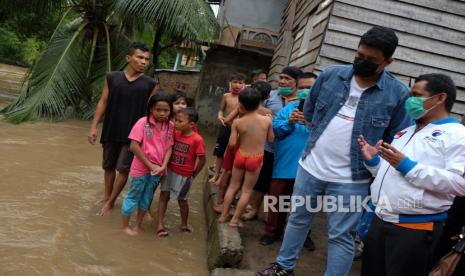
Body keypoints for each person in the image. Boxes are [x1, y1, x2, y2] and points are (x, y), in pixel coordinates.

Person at [259, 26, 411, 276]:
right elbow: (308, 114)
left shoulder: (398, 94)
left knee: (341, 236)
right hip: (311, 167)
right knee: (298, 219)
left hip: (353, 178)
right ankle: (284, 267)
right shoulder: (331, 76)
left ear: (388, 61)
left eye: (371, 60)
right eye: (360, 55)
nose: (362, 62)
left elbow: (396, 138)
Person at [360, 73, 465, 276]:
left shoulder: (457, 135)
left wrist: (408, 166)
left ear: (440, 98)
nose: (410, 100)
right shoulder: (406, 131)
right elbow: (392, 174)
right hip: (381, 219)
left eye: (417, 95)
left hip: (414, 228)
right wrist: (373, 161)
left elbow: (460, 183)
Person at [88, 42, 157, 216]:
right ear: (128, 58)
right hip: (111, 129)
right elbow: (103, 102)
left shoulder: (150, 83)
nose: (143, 62)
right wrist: (94, 126)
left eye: (146, 59)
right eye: (139, 57)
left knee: (123, 168)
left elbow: (152, 111)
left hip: (134, 135)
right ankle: (106, 197)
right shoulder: (112, 77)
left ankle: (111, 203)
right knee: (108, 166)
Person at [259, 72, 316, 246]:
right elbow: (277, 132)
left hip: (310, 167)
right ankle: (272, 231)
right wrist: (289, 122)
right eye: (302, 88)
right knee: (276, 200)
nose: (305, 91)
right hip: (285, 164)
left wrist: (310, 122)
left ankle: (303, 235)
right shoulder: (288, 109)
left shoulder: (324, 113)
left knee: (305, 204)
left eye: (310, 88)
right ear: (296, 89)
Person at [242, 67, 303, 222]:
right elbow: (253, 108)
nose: (282, 81)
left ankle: (271, 215)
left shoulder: (302, 100)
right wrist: (262, 110)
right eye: (281, 77)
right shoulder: (271, 95)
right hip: (268, 146)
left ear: (297, 82)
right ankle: (254, 209)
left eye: (287, 78)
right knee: (262, 180)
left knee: (279, 184)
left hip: (289, 150)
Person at [213, 81, 273, 213]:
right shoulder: (267, 112)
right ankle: (236, 210)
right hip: (254, 151)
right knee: (246, 184)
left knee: (228, 172)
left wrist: (237, 129)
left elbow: (227, 120)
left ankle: (220, 203)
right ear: (268, 97)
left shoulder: (242, 107)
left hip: (236, 145)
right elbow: (270, 138)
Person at [120, 92, 174, 236]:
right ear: (151, 109)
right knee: (133, 195)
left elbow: (169, 148)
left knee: (147, 197)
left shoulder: (170, 126)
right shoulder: (143, 122)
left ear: (170, 111)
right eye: (158, 110)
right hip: (141, 168)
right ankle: (125, 226)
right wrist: (151, 166)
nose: (162, 113)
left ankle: (137, 225)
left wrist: (163, 166)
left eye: (166, 110)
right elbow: (133, 146)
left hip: (158, 170)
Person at [156, 107, 206, 237]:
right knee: (163, 196)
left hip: (185, 175)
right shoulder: (175, 133)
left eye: (180, 121)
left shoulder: (197, 139)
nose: (176, 123)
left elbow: (202, 160)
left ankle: (184, 224)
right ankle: (160, 224)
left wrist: (194, 174)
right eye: (176, 120)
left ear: (191, 125)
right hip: (170, 170)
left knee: (182, 200)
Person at [209, 73, 246, 184]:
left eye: (240, 83)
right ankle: (216, 174)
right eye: (235, 82)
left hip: (238, 130)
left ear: (244, 85)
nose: (237, 85)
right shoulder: (226, 96)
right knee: (220, 151)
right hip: (225, 127)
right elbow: (221, 109)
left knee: (230, 154)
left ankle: (222, 177)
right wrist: (220, 115)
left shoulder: (245, 98)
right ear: (230, 83)